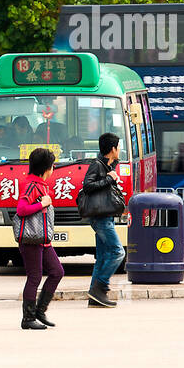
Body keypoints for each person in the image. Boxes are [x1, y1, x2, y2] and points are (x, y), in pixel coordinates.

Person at [15, 146, 63, 329]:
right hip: (31, 239)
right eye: (52, 166)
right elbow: (21, 210)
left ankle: (39, 311)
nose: (53, 169)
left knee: (57, 271)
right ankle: (27, 318)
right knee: (34, 277)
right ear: (46, 168)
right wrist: (42, 203)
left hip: (43, 240)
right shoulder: (31, 186)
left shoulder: (40, 185)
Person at [80, 132, 125, 308]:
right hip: (100, 217)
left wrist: (111, 172)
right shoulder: (97, 165)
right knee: (117, 252)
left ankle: (95, 296)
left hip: (105, 216)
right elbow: (88, 186)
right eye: (118, 146)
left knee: (102, 256)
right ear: (112, 149)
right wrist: (109, 179)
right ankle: (101, 288)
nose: (119, 149)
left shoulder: (107, 165)